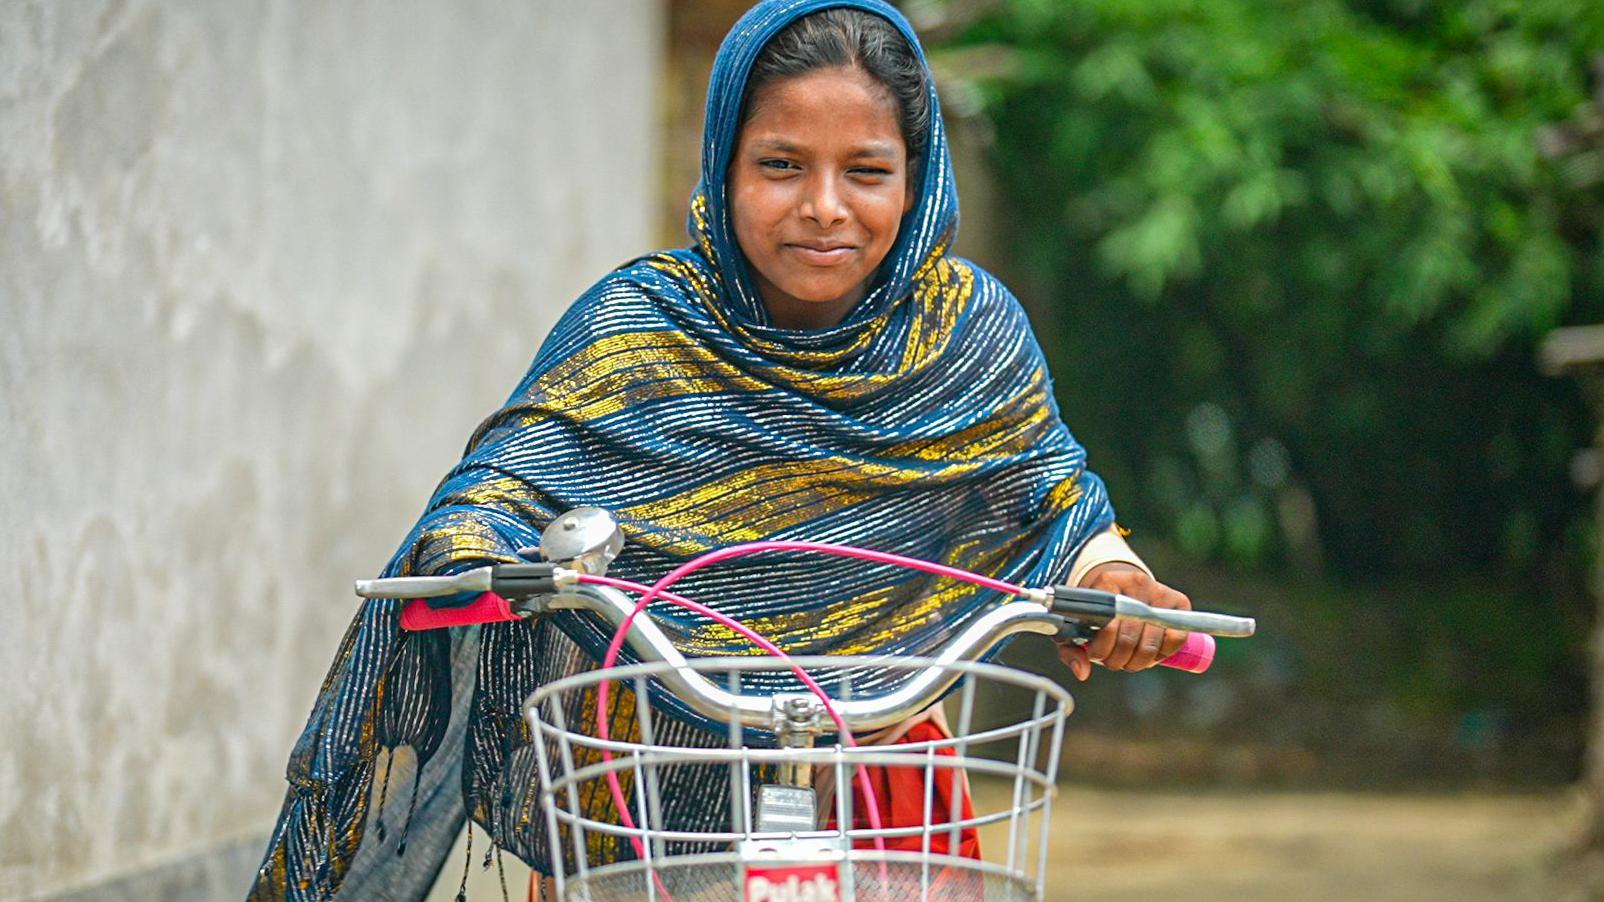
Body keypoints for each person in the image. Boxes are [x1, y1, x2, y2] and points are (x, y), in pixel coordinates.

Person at [249, 1, 1192, 899]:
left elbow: (1054, 502)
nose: (825, 207)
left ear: (918, 175)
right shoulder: (639, 326)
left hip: (884, 773)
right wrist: (469, 545)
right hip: (641, 790)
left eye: (866, 171)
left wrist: (1112, 578)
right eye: (781, 164)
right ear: (723, 165)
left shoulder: (969, 335)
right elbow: (512, 475)